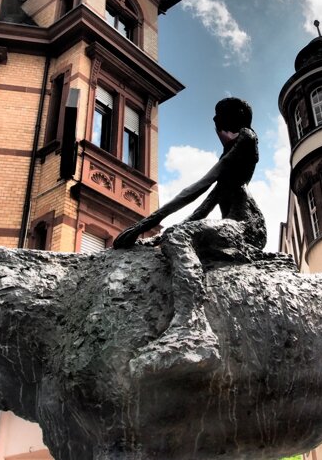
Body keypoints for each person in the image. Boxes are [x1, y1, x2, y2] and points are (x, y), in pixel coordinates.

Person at [113, 97, 266, 376]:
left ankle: (190, 325)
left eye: (218, 115)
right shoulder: (230, 157)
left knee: (180, 236)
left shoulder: (246, 138)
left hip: (246, 227)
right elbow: (204, 206)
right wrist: (159, 237)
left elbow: (198, 187)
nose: (214, 121)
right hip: (235, 223)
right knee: (179, 234)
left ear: (235, 117)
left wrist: (144, 224)